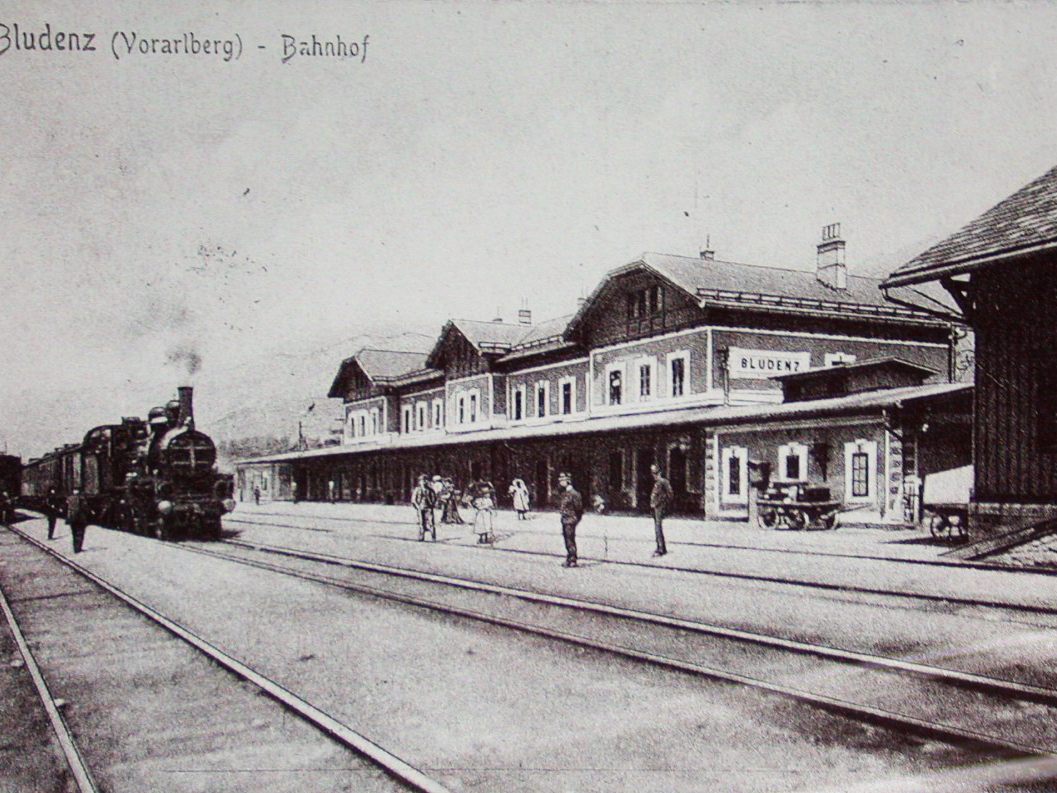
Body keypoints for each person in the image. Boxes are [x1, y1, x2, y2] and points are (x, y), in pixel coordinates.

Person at [557, 472, 583, 567]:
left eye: (562, 480)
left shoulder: (574, 494)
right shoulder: (565, 493)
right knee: (567, 539)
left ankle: (573, 559)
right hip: (565, 519)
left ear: (568, 481)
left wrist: (575, 519)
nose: (560, 482)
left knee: (570, 540)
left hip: (570, 520)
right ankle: (569, 558)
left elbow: (579, 508)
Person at [649, 464, 673, 557]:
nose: (654, 475)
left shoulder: (663, 482)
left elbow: (670, 494)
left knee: (658, 528)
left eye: (655, 473)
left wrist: (663, 504)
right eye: (652, 473)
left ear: (660, 472)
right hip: (655, 508)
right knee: (657, 528)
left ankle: (661, 549)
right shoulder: (657, 483)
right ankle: (660, 547)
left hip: (660, 508)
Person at [411, 475, 437, 541]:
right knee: (421, 523)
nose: (424, 482)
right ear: (419, 482)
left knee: (431, 522)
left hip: (429, 508)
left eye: (426, 480)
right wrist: (417, 506)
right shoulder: (417, 489)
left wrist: (432, 504)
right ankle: (421, 537)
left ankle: (433, 537)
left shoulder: (430, 490)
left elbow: (434, 498)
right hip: (421, 508)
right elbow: (413, 499)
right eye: (422, 480)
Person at [471, 479, 496, 544]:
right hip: (481, 514)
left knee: (487, 526)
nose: (488, 495)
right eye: (486, 494)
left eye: (488, 494)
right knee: (481, 526)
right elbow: (476, 505)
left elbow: (491, 506)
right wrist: (481, 507)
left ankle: (486, 538)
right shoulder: (479, 500)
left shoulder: (489, 500)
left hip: (486, 514)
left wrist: (491, 509)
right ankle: (481, 538)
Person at [66, 489, 89, 554]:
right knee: (80, 533)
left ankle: (75, 548)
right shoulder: (81, 498)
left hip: (72, 518)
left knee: (74, 533)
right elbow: (85, 508)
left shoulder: (69, 498)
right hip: (80, 518)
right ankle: (78, 548)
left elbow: (66, 507)